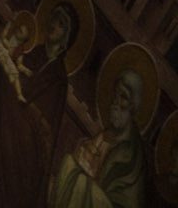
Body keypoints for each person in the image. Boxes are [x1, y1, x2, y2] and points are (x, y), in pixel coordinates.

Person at [0, 1, 75, 208]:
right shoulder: (32, 56)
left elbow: (44, 129)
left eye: (61, 24)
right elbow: (10, 75)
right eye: (53, 18)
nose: (53, 25)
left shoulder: (58, 80)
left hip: (25, 157)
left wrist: (12, 98)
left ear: (66, 37)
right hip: (2, 138)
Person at [49, 67, 148, 208]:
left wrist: (89, 172)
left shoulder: (130, 149)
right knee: (68, 162)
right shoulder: (110, 131)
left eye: (124, 97)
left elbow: (114, 191)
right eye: (116, 93)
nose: (116, 101)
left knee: (80, 183)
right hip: (94, 189)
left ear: (133, 105)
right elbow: (89, 154)